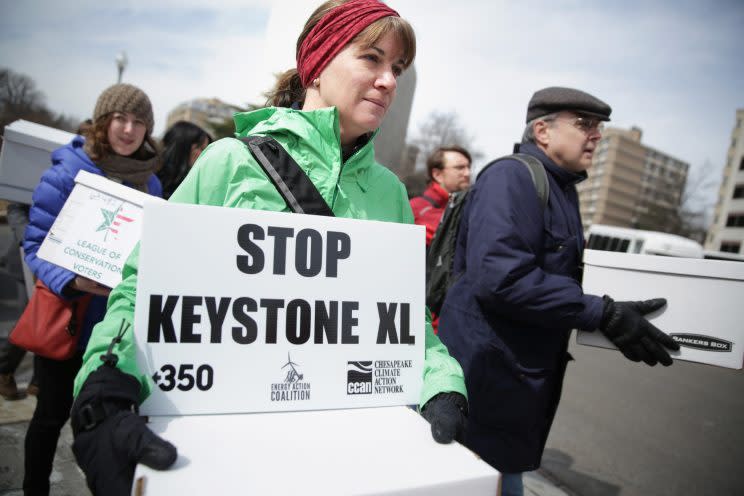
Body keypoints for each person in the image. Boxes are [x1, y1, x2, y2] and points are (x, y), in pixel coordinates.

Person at [69, 2, 468, 495]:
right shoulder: (229, 164)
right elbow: (143, 289)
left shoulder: (390, 195)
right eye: (371, 58)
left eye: (398, 68)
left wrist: (440, 381)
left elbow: (401, 320)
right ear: (316, 64)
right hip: (222, 447)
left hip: (348, 449)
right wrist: (106, 387)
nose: (389, 80)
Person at [437, 87, 679, 496]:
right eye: (584, 124)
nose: (596, 136)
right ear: (543, 130)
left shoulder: (560, 188)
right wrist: (601, 313)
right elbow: (503, 278)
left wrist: (607, 309)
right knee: (471, 478)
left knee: (500, 477)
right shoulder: (511, 178)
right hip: (484, 379)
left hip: (514, 381)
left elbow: (553, 277)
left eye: (599, 128)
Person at [21, 84, 162, 496]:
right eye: (120, 118)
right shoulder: (66, 173)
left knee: (108, 422)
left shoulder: (150, 184)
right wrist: (72, 280)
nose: (129, 129)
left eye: (139, 122)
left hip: (116, 325)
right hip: (70, 318)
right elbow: (34, 244)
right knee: (49, 417)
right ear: (103, 121)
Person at [0, 120, 92, 402]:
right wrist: (28, 244)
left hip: (61, 269)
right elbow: (20, 211)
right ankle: (5, 370)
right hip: (32, 261)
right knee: (35, 321)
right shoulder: (56, 171)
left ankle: (38, 381)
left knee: (57, 325)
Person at [410, 145, 471, 246]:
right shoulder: (416, 208)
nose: (467, 173)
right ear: (437, 174)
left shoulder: (469, 208)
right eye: (460, 167)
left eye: (468, 167)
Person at [157, 120, 213, 199]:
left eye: (206, 150)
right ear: (181, 147)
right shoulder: (147, 178)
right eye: (199, 148)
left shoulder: (199, 186)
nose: (204, 154)